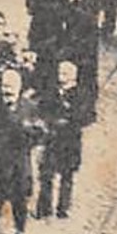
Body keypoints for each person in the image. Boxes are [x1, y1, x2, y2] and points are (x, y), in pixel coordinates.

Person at [0, 69, 44, 234]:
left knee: (19, 198)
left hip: (18, 161)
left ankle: (20, 228)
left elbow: (39, 133)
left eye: (11, 87)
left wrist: (26, 131)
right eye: (4, 86)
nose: (6, 90)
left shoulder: (29, 107)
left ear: (19, 88)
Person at [36, 61, 95, 219]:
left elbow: (88, 116)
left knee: (67, 175)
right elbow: (42, 109)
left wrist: (69, 120)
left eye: (64, 74)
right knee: (46, 173)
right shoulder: (52, 92)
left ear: (72, 76)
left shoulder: (81, 94)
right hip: (51, 139)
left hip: (70, 141)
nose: (60, 77)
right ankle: (44, 208)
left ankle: (63, 207)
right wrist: (48, 121)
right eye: (60, 73)